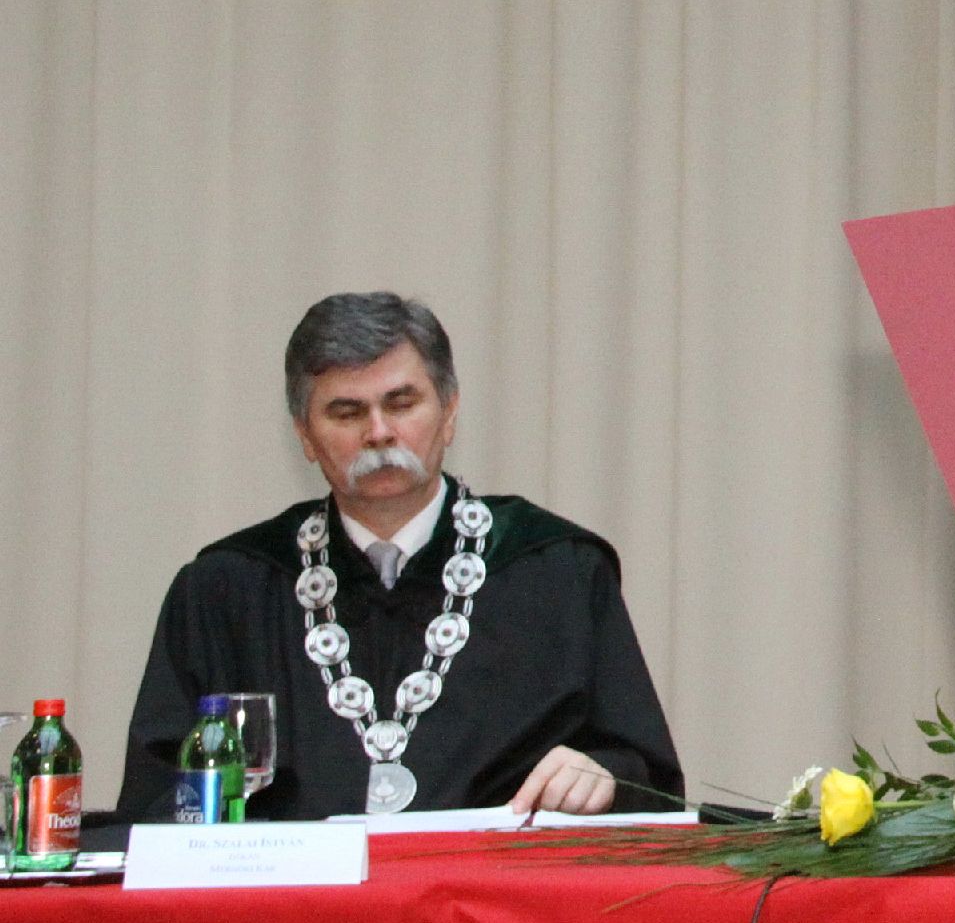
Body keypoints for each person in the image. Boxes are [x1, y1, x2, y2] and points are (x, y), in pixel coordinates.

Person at [121, 292, 681, 820]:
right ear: (305, 436)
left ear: (449, 412)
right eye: (346, 412)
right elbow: (158, 804)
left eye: (401, 403)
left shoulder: (558, 572)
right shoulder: (227, 590)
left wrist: (600, 776)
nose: (379, 432)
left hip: (491, 888)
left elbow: (645, 778)